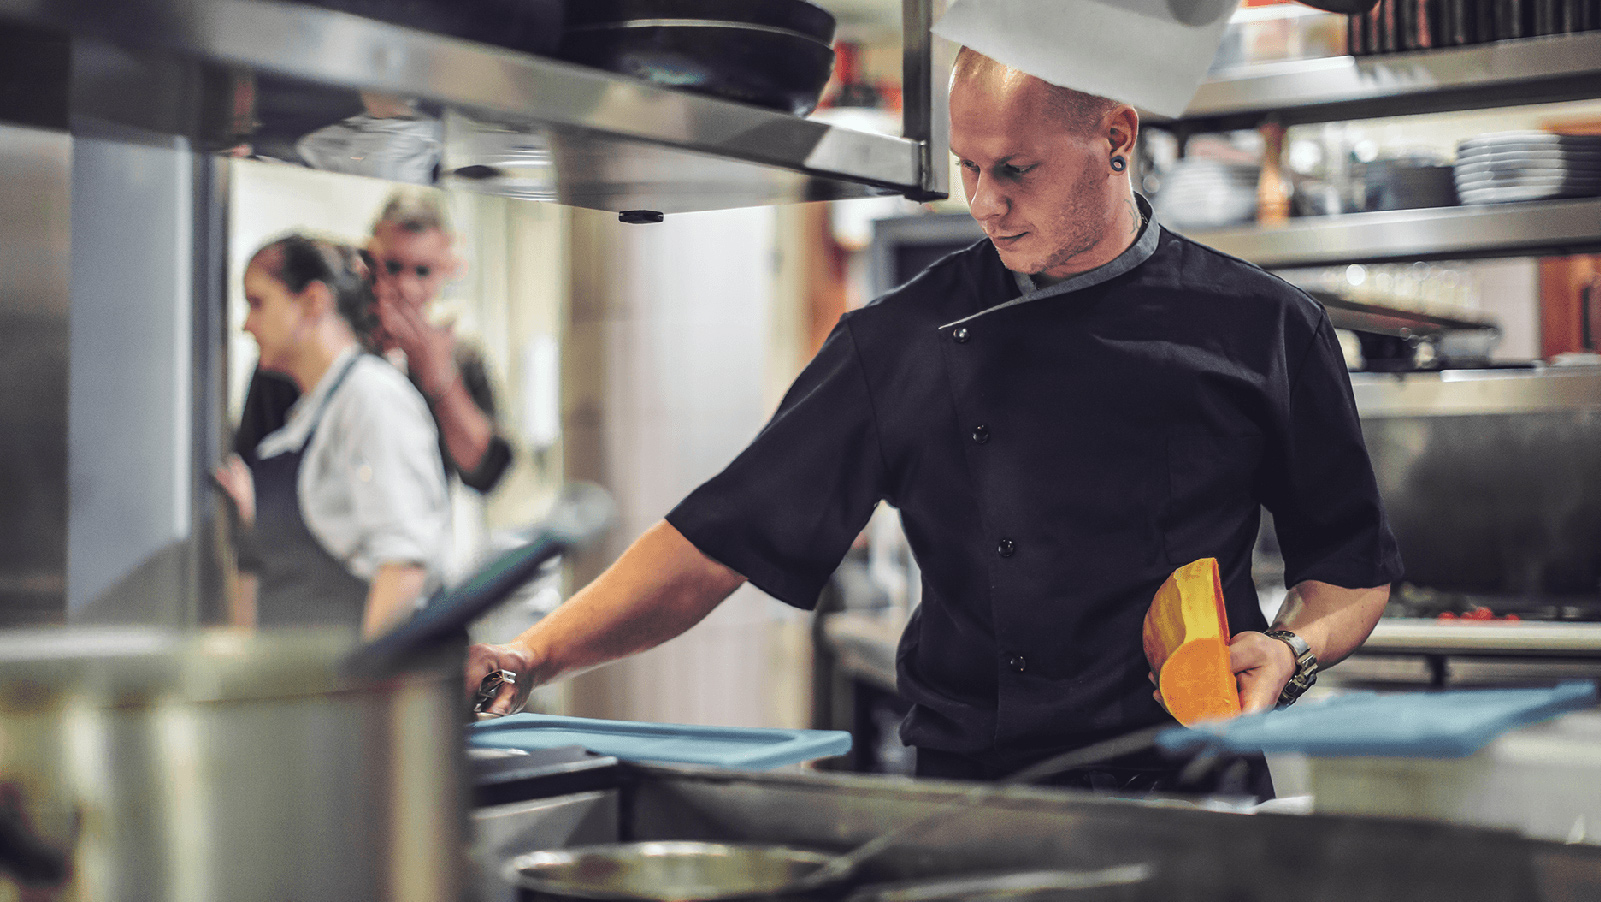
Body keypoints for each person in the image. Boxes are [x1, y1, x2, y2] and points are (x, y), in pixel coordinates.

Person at [467, 47, 1402, 797]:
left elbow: (1349, 572)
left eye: (1015, 169)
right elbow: (720, 536)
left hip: (1203, 785)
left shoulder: (1264, 324)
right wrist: (532, 654)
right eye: (965, 166)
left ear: (1115, 134)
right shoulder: (901, 340)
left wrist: (1287, 650)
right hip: (984, 798)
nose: (984, 201)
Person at [215, 234, 450, 638]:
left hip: (351, 690)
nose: (246, 325)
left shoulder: (371, 397)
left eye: (258, 303)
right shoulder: (308, 416)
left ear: (312, 302)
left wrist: (366, 689)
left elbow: (404, 566)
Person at [234, 190, 514, 495]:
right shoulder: (314, 353)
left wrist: (440, 382)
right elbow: (254, 463)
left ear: (446, 270)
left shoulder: (461, 358)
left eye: (423, 271)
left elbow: (485, 474)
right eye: (392, 267)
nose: (405, 287)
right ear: (368, 262)